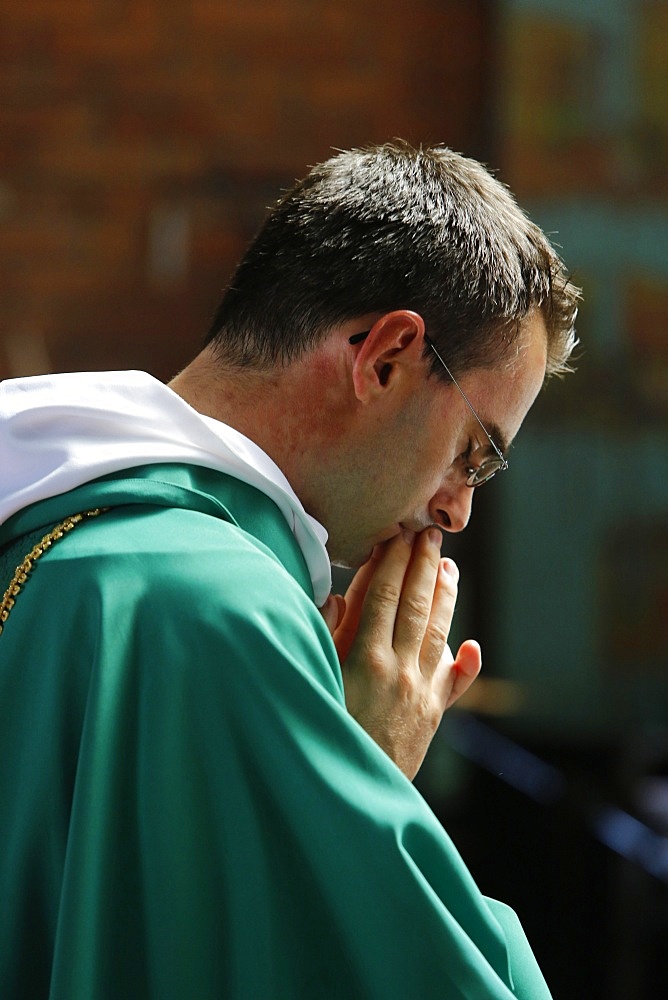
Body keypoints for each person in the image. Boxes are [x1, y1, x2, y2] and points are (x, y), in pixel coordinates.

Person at [0, 142, 579, 999]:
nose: (457, 511)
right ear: (385, 357)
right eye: (474, 454)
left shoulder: (35, 504)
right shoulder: (223, 613)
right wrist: (360, 778)